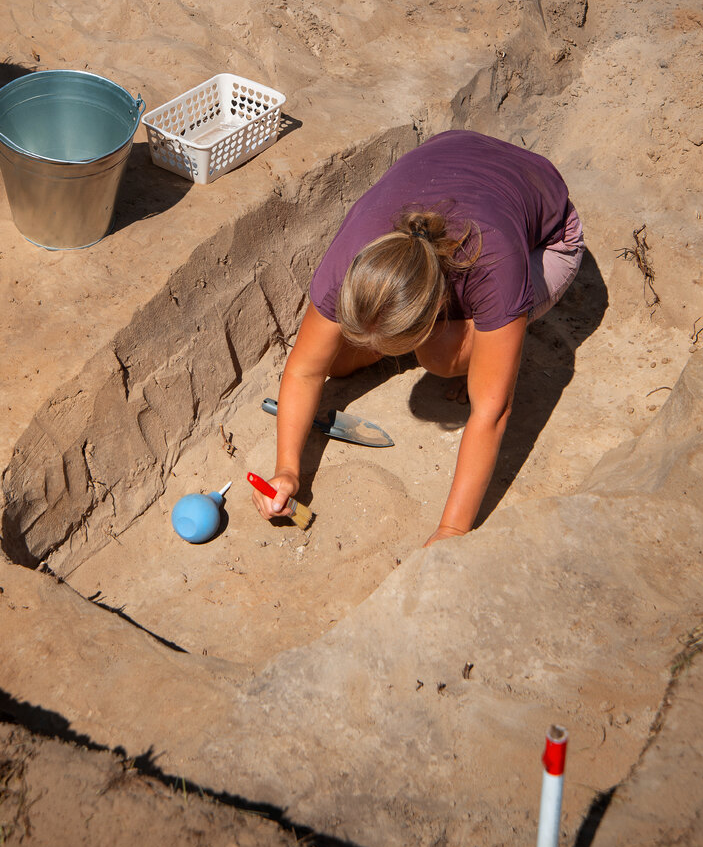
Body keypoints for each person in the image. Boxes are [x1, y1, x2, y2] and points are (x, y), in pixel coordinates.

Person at [250, 130, 584, 546]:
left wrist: (451, 530)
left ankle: (459, 343)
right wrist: (287, 469)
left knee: (442, 358)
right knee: (335, 358)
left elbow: (492, 413)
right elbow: (304, 370)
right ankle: (419, 339)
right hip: (459, 154)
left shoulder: (494, 266)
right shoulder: (350, 260)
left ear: (432, 309)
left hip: (548, 237)